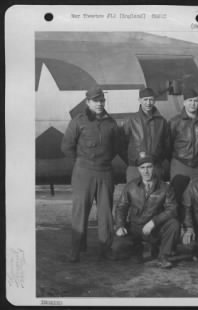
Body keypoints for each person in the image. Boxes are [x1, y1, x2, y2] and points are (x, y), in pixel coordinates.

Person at [61, 85, 121, 262]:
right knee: (80, 211)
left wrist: (104, 160)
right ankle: (76, 250)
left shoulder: (111, 123)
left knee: (105, 213)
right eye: (96, 101)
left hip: (105, 171)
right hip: (84, 171)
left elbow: (116, 146)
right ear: (88, 102)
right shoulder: (79, 121)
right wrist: (81, 162)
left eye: (102, 100)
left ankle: (105, 249)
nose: (99, 104)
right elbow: (66, 146)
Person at [113, 152, 180, 268]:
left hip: (154, 228)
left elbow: (172, 209)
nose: (146, 171)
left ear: (154, 167)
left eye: (149, 167)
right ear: (138, 169)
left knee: (174, 224)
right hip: (136, 227)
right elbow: (121, 207)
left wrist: (154, 222)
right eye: (142, 168)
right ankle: (137, 249)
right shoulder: (131, 186)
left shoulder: (165, 187)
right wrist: (120, 226)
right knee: (117, 247)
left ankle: (163, 256)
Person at [122, 87, 170, 182]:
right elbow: (121, 144)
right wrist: (132, 159)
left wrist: (158, 158)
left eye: (151, 99)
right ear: (140, 100)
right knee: (134, 195)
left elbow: (167, 145)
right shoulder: (131, 120)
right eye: (145, 99)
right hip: (135, 168)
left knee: (156, 195)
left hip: (155, 167)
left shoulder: (161, 121)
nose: (148, 103)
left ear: (154, 100)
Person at [169, 88, 198, 181]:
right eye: (190, 101)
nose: (193, 104)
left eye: (195, 101)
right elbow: (167, 145)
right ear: (184, 102)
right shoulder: (175, 122)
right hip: (180, 165)